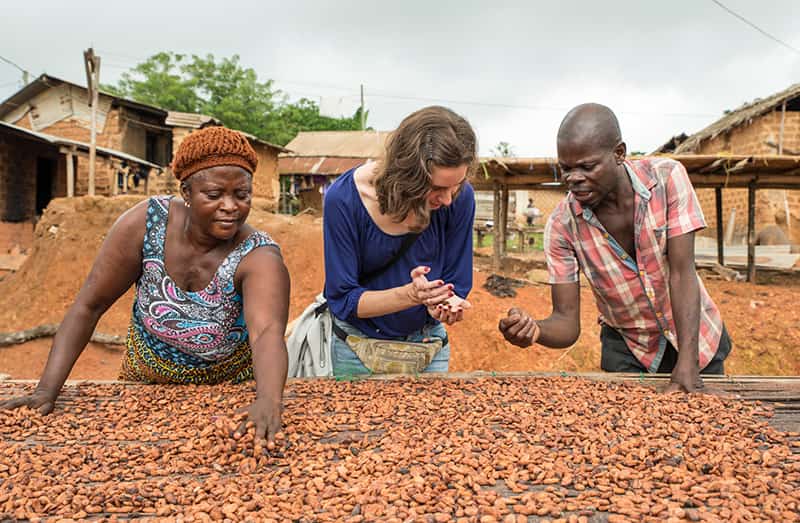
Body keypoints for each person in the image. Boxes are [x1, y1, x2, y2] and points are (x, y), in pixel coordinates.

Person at [1, 126, 290, 445]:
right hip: (142, 381)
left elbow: (266, 332)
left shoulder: (258, 255)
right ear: (187, 193)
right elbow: (90, 305)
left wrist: (268, 401)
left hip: (226, 393)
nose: (230, 206)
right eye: (214, 194)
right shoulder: (145, 225)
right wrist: (46, 390)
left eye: (241, 195)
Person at [499, 103, 731, 393]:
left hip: (695, 340)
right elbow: (566, 323)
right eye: (566, 168)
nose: (574, 178)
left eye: (587, 166)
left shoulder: (666, 179)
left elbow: (683, 273)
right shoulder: (561, 226)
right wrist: (535, 330)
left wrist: (687, 362)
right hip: (630, 351)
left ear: (619, 154)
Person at [323, 106, 477, 376]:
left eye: (456, 185)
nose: (449, 199)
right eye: (437, 188)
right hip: (358, 347)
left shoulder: (460, 197)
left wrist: (444, 304)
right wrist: (411, 295)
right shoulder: (344, 200)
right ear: (408, 175)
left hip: (427, 345)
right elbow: (344, 300)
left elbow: (457, 282)